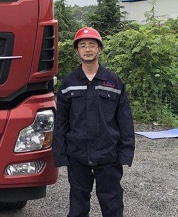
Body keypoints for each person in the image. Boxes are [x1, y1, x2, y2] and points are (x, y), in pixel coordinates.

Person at [53, 27, 135, 217]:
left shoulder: (114, 82)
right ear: (77, 51)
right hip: (77, 154)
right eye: (83, 46)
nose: (87, 49)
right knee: (78, 205)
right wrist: (60, 154)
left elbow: (125, 120)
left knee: (112, 203)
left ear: (100, 49)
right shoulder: (69, 83)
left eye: (92, 45)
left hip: (108, 153)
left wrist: (125, 152)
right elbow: (61, 122)